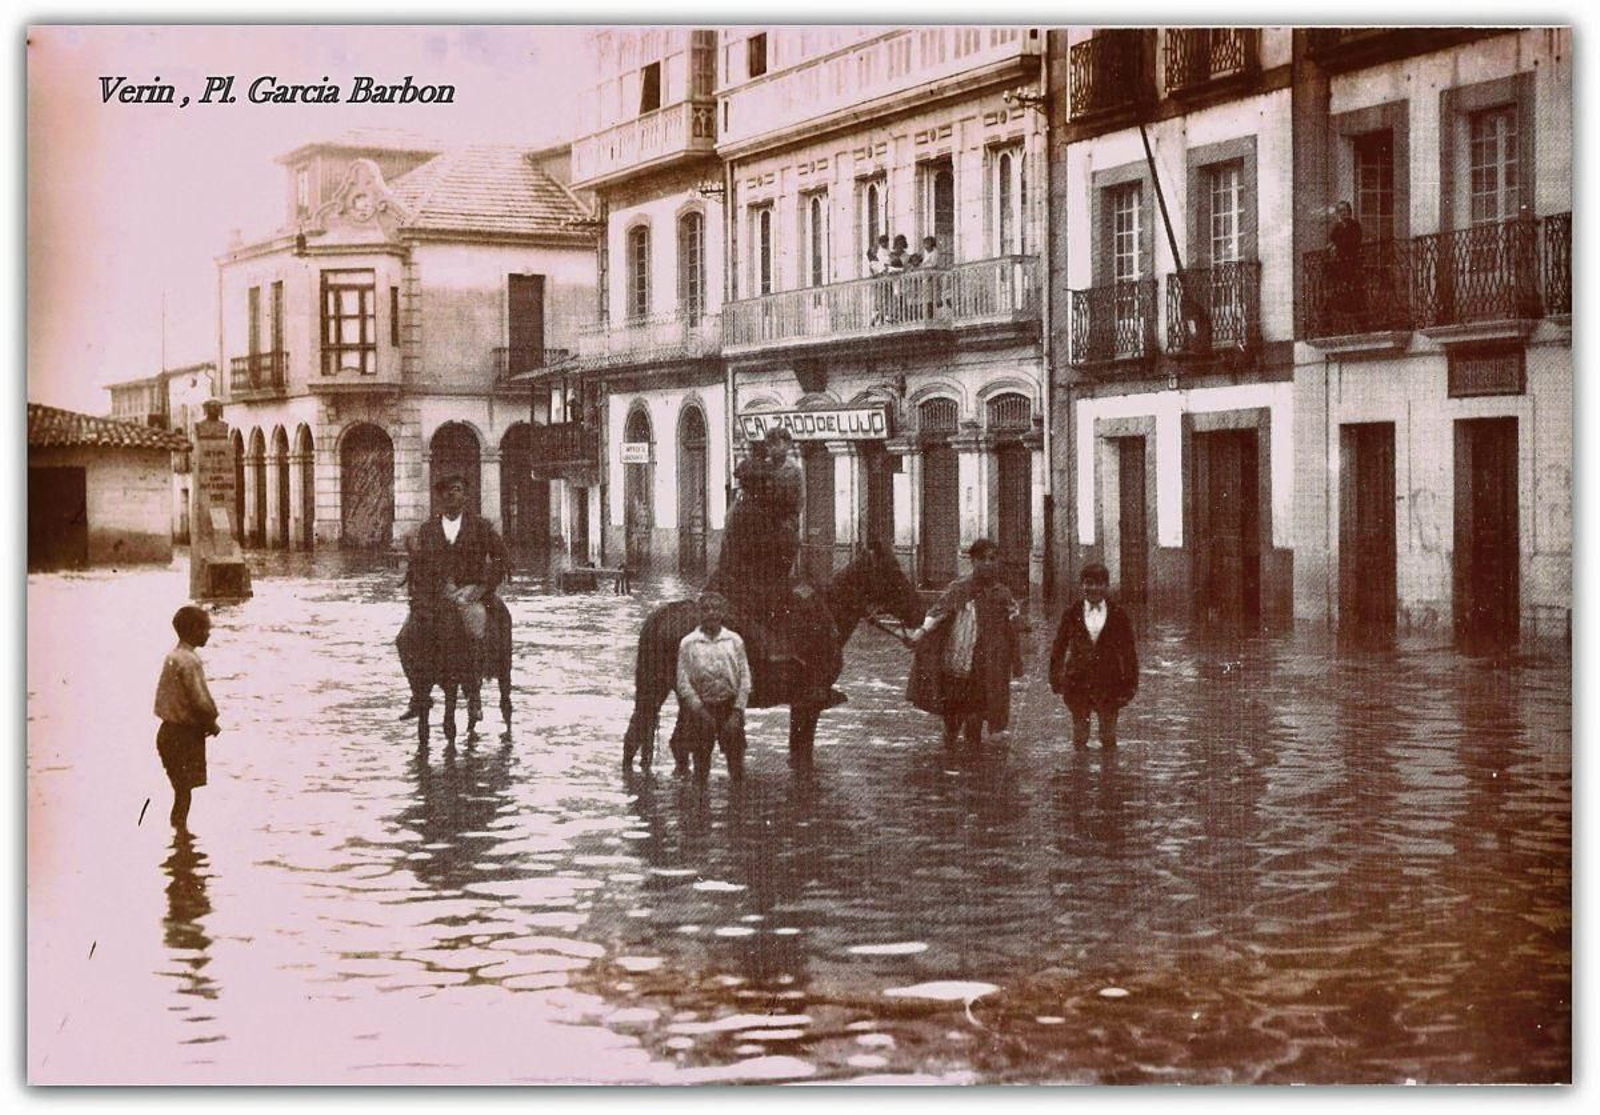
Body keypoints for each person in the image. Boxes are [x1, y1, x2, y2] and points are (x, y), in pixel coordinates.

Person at [397, 474, 510, 723]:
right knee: (404, 638)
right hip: (437, 598)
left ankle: (473, 693)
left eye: (457, 490)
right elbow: (422, 567)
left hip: (471, 595)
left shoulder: (481, 527)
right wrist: (433, 587)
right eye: (446, 491)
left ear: (465, 496)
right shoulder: (428, 530)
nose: (451, 495)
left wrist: (480, 588)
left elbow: (502, 559)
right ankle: (418, 695)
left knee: (476, 629)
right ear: (439, 497)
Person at [906, 539, 1024, 749]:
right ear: (973, 561)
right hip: (956, 664)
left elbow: (1012, 626)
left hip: (983, 667)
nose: (988, 564)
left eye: (992, 559)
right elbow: (938, 613)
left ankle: (972, 764)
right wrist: (921, 632)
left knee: (975, 720)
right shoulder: (959, 588)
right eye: (983, 559)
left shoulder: (1002, 594)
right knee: (952, 720)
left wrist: (1016, 656)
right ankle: (950, 758)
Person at [1048, 563, 1139, 749]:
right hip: (1077, 682)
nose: (1094, 588)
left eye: (1099, 584)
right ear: (1082, 585)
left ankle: (1109, 775)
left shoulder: (1118, 614)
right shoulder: (1071, 613)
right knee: (1080, 735)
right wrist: (1055, 679)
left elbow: (1128, 652)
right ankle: (1080, 774)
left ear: (1106, 586)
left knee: (1108, 736)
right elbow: (1059, 648)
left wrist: (1130, 685)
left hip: (1109, 683)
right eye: (1089, 583)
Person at [153, 604, 222, 830]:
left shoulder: (172, 657)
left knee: (180, 791)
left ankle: (180, 843)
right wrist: (211, 722)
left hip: (167, 732)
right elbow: (199, 699)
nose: (208, 634)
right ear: (194, 629)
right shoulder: (191, 661)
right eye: (205, 629)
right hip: (183, 736)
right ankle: (181, 837)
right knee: (184, 794)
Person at [674, 591, 752, 779]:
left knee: (736, 767)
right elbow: (683, 682)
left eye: (716, 609)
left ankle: (735, 803)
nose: (711, 613)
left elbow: (745, 679)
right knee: (701, 768)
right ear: (699, 615)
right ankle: (701, 805)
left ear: (723, 613)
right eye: (706, 609)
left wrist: (737, 712)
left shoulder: (734, 641)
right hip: (702, 708)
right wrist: (700, 711)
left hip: (729, 706)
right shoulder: (688, 643)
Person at [1328, 201, 1365, 323]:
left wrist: (1337, 246)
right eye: (1340, 211)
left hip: (1352, 260)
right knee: (1341, 286)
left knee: (1352, 287)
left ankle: (1353, 311)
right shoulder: (1338, 227)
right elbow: (1332, 239)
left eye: (1344, 210)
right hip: (1340, 261)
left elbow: (1354, 241)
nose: (1342, 213)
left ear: (1349, 211)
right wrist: (1333, 246)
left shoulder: (1354, 225)